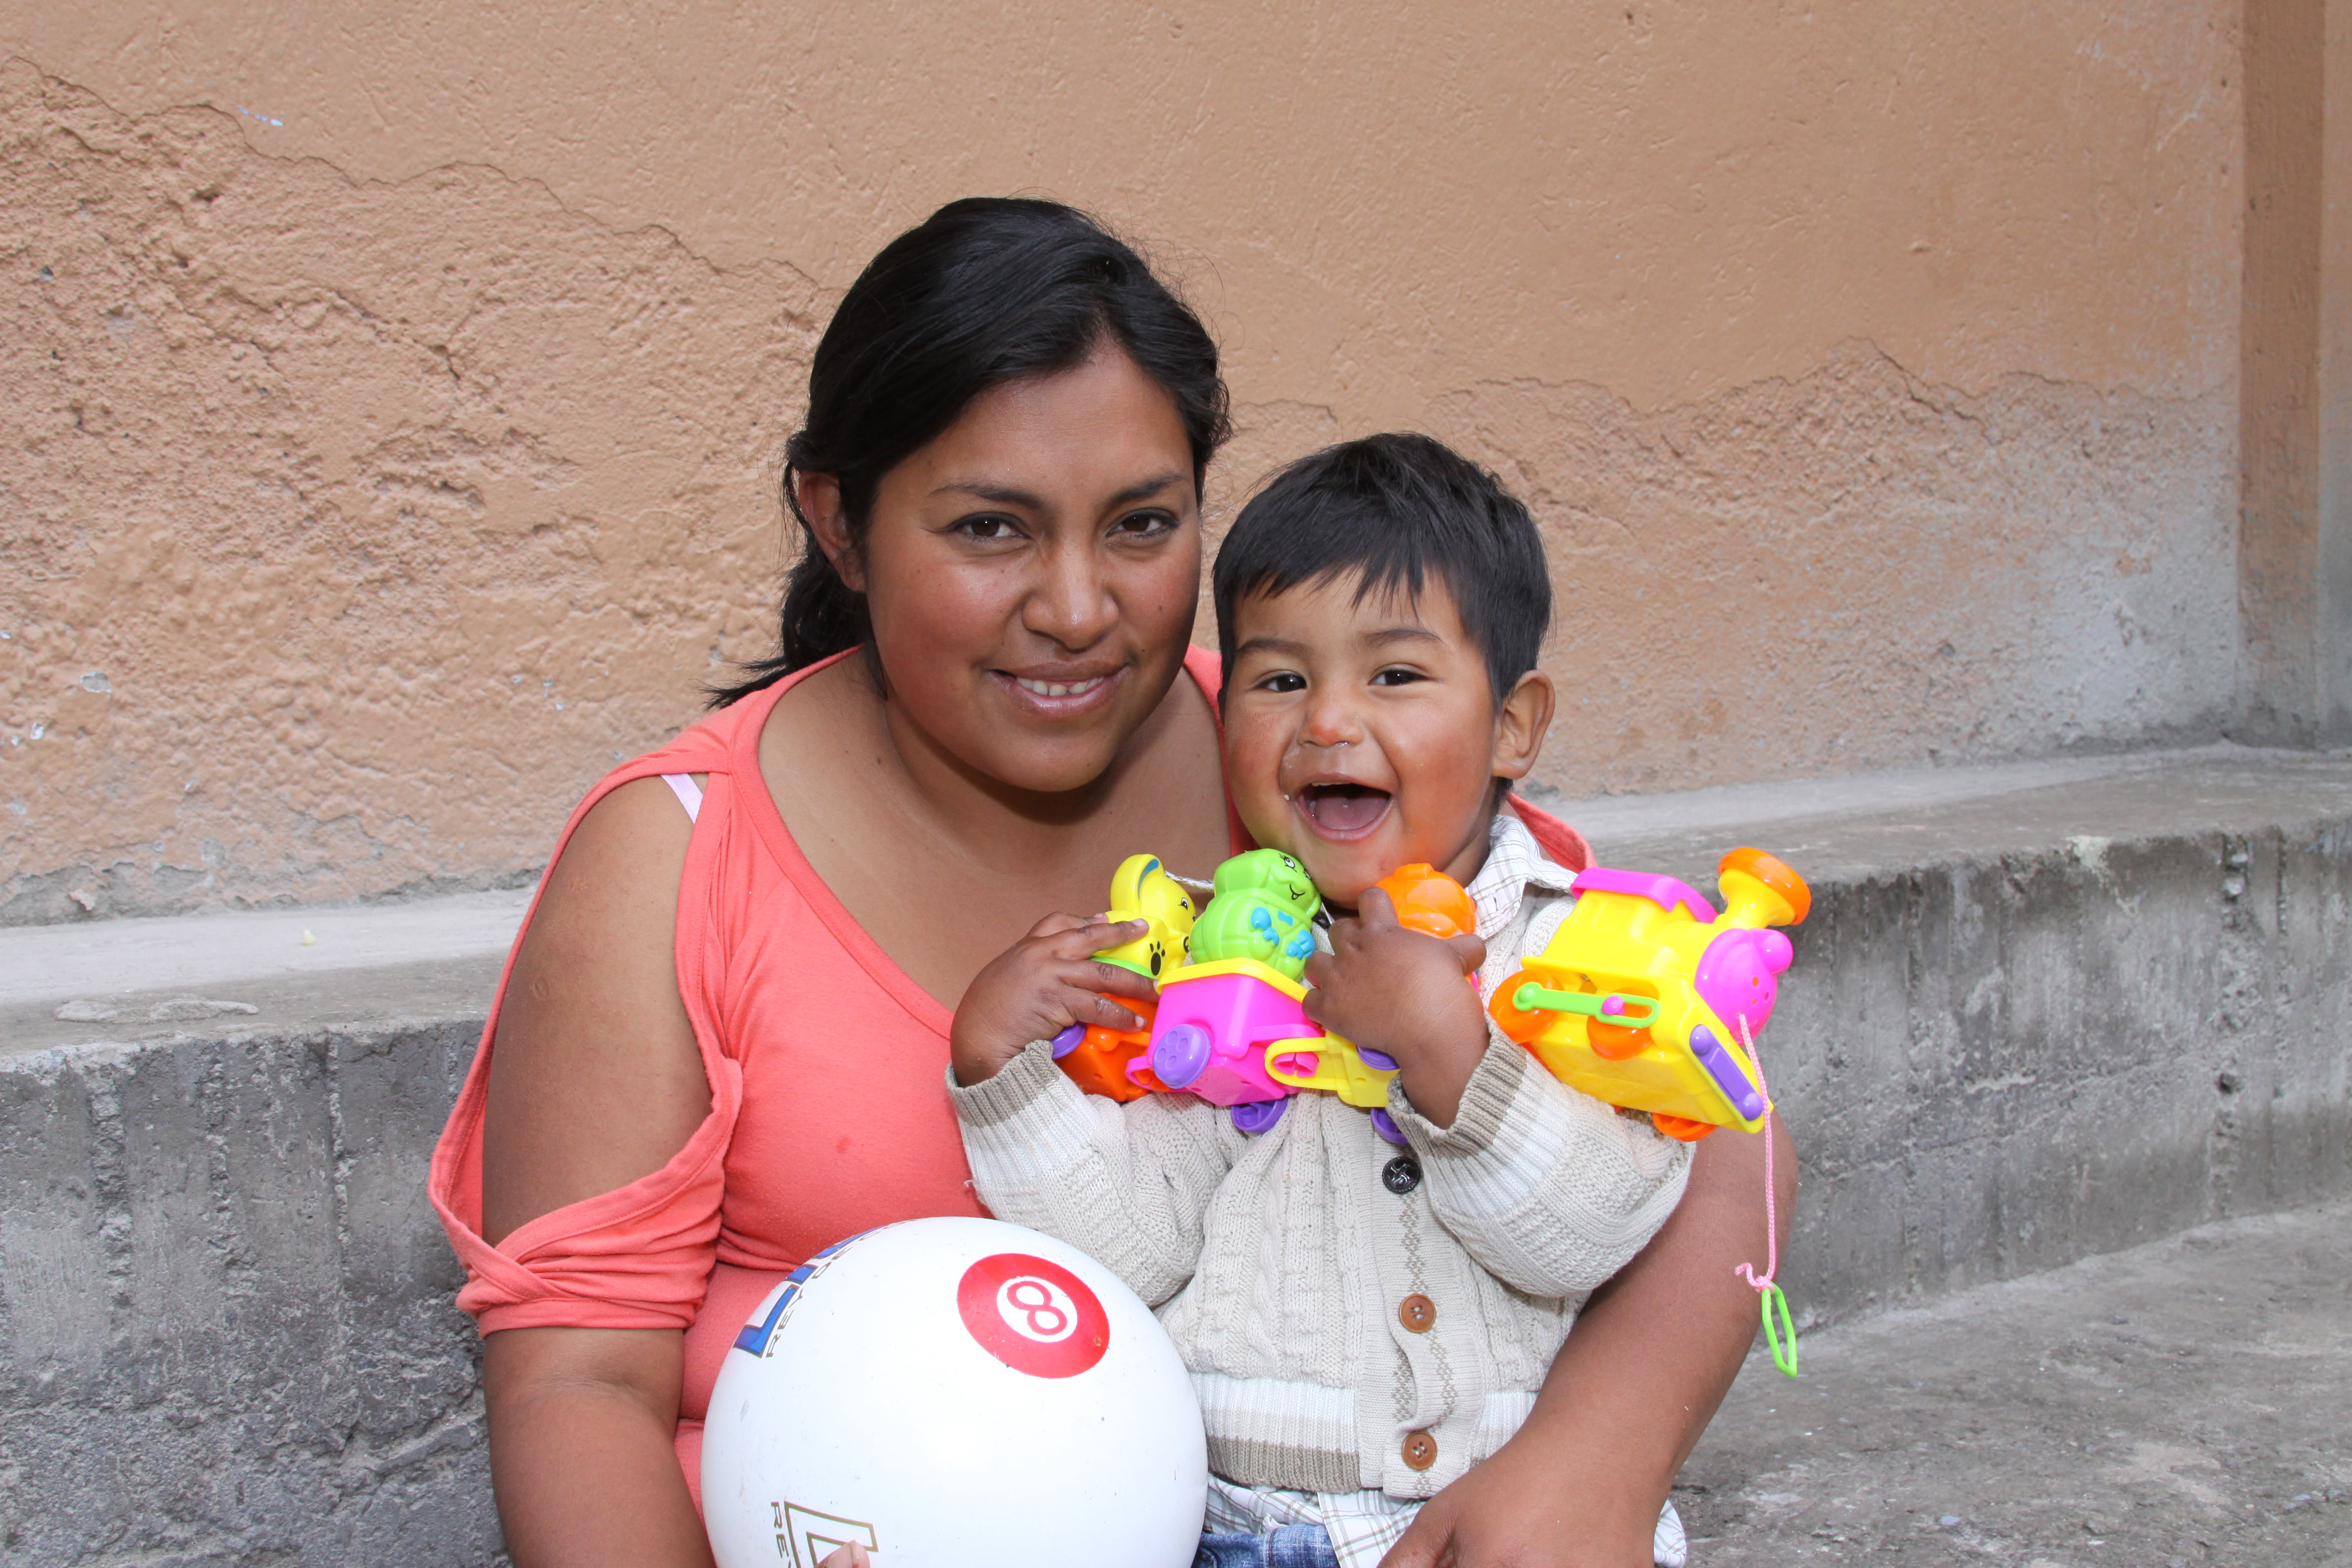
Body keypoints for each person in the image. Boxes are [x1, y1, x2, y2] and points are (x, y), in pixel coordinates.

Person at [429, 197, 1797, 1568]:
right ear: (840, 524)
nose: (1079, 608)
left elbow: (1714, 1118)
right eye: (991, 530)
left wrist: (1595, 1465)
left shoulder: (1305, 766)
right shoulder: (677, 855)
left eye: (1142, 526)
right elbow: (576, 1384)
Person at [947, 434, 1702, 1568]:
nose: (1328, 724)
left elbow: (1591, 1237)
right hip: (1230, 1529)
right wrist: (1001, 1075)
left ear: (1514, 725)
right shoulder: (1220, 962)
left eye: (1394, 676)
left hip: (1498, 1526)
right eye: (1281, 679)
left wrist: (1452, 1050)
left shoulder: (1569, 963)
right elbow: (1133, 1253)